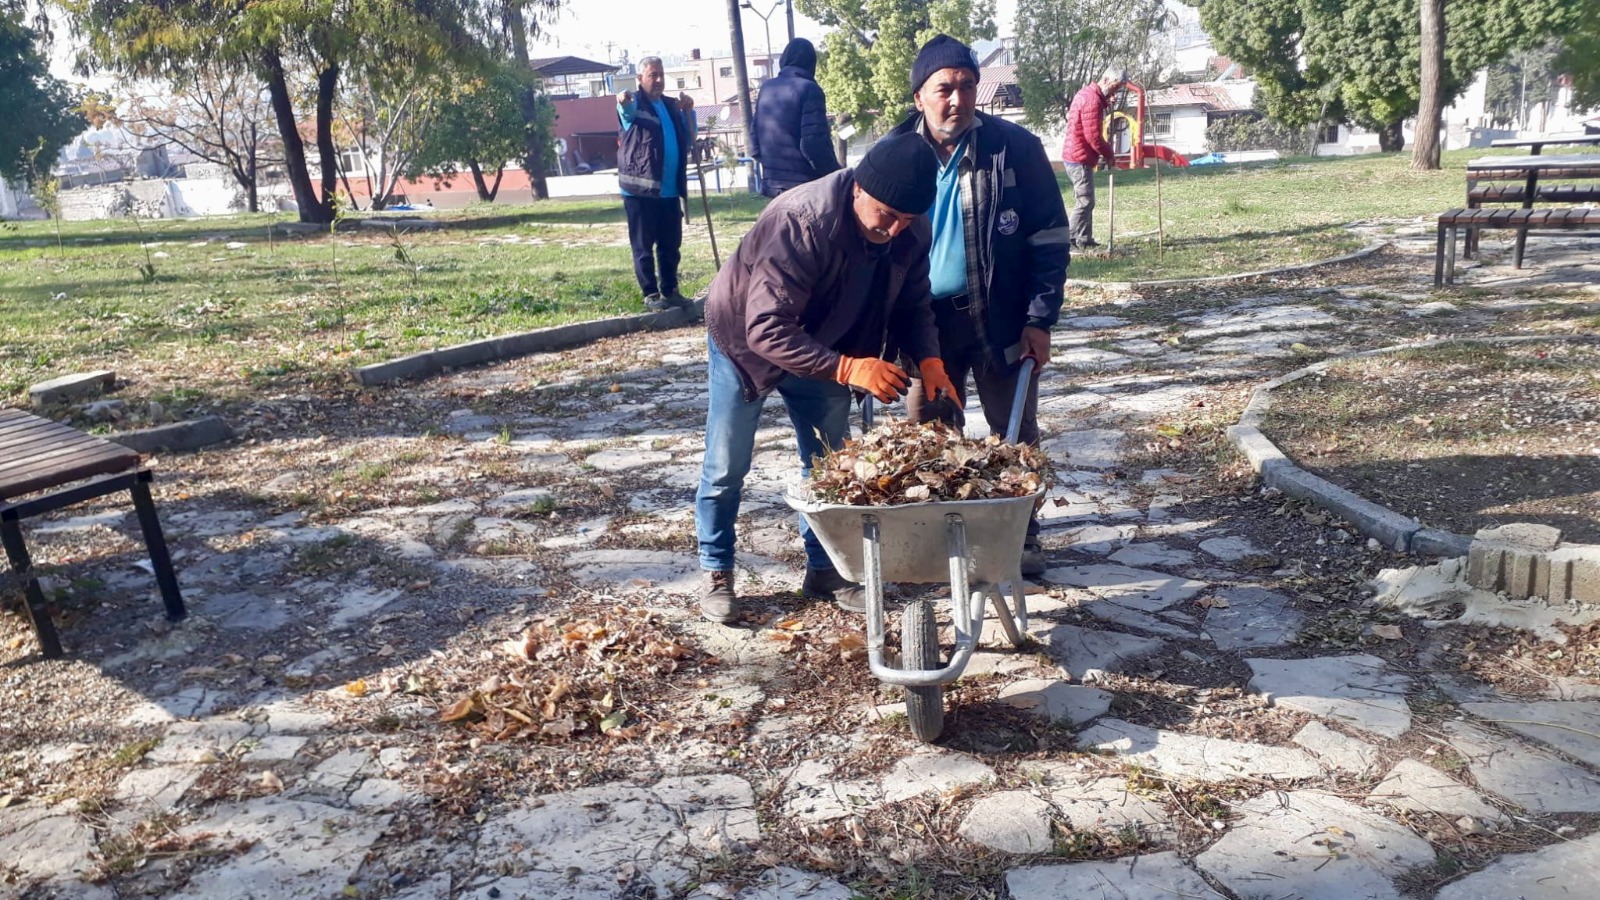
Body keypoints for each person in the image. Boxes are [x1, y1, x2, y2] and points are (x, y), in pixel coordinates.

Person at [693, 133, 961, 624]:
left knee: (826, 467)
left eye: (907, 219)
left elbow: (913, 304)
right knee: (726, 464)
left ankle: (825, 570)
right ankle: (717, 569)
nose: (895, 228)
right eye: (886, 214)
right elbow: (766, 327)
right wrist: (848, 368)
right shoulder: (801, 220)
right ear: (858, 187)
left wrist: (930, 360)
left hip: (829, 341)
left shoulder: (910, 229)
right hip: (745, 342)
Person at [892, 34, 1072, 577]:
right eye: (944, 88)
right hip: (927, 326)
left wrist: (1041, 318)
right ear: (919, 95)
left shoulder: (1014, 148)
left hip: (1000, 319)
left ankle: (1020, 534)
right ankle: (935, 540)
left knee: (1012, 434)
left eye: (967, 86)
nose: (957, 99)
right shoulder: (896, 152)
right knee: (930, 434)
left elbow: (1050, 237)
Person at [617, 56, 696, 311]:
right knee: (643, 246)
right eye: (653, 75)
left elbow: (690, 135)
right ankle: (650, 294)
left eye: (661, 75)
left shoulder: (672, 106)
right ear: (641, 78)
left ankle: (670, 290)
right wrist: (622, 100)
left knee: (670, 245)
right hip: (640, 190)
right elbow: (624, 110)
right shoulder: (635, 103)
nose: (659, 80)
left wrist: (689, 111)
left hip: (669, 189)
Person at [749, 37, 840, 197]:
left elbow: (754, 140)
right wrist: (835, 174)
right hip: (805, 186)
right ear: (811, 62)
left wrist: (774, 169)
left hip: (773, 185)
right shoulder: (810, 89)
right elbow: (813, 144)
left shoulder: (766, 88)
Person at [1061, 68, 1125, 250]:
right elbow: (1093, 136)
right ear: (1105, 80)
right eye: (1114, 88)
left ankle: (1084, 238)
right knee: (1085, 200)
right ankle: (1070, 240)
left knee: (1086, 199)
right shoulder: (1092, 101)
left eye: (1117, 90)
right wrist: (1109, 154)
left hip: (1076, 155)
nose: (1114, 94)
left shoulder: (1087, 94)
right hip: (1078, 157)